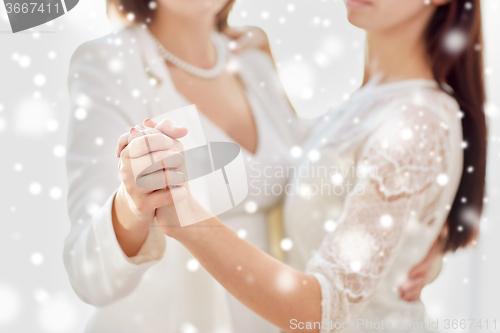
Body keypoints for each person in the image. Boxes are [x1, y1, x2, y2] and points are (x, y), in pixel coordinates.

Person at [64, 0, 446, 332]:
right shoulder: (111, 63)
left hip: (273, 317)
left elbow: (326, 171)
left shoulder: (252, 60)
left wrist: (423, 234)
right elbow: (89, 274)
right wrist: (134, 204)